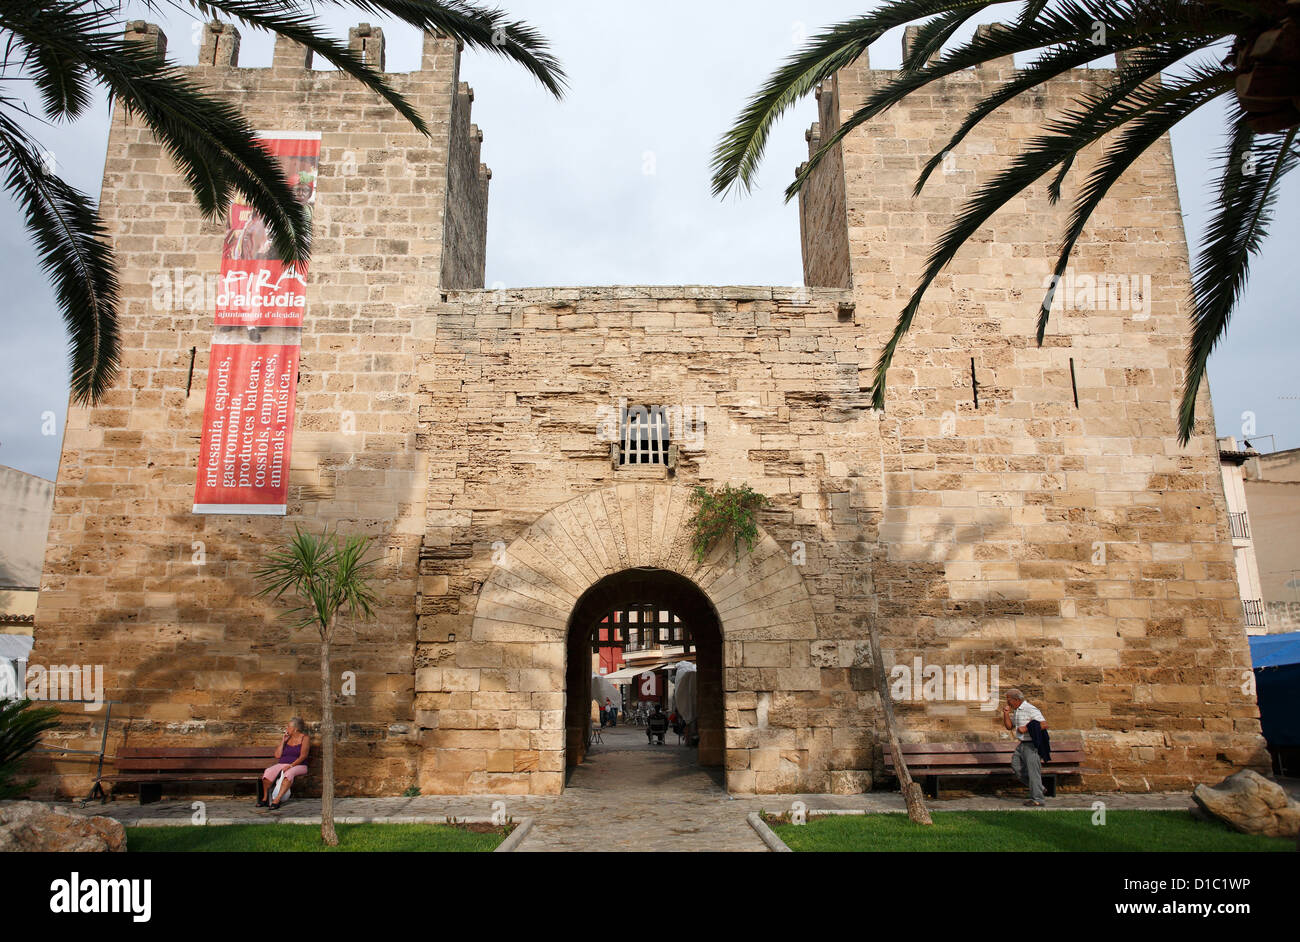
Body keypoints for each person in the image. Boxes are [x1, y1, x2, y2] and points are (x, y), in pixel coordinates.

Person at [1001, 689, 1047, 806]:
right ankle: (1039, 788)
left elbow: (1043, 724)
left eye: (1008, 699)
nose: (1007, 702)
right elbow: (1009, 726)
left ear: (1016, 699)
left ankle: (1038, 799)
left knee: (1033, 772)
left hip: (1032, 745)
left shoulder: (1029, 709)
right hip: (1022, 744)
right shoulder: (1017, 710)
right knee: (1016, 766)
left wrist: (1026, 728)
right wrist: (1006, 713)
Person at [258, 717, 310, 809]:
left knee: (288, 773)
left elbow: (303, 756)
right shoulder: (287, 739)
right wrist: (283, 740)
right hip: (283, 763)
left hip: (299, 765)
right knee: (268, 772)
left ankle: (277, 800)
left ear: (295, 729)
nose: (287, 729)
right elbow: (277, 756)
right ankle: (265, 798)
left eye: (289, 727)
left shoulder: (305, 738)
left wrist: (291, 766)